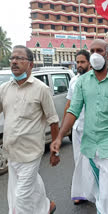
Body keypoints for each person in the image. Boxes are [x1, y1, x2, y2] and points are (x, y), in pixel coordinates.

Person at [51, 39, 108, 214]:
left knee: (106, 194)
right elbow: (73, 111)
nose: (96, 54)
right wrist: (59, 136)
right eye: (93, 51)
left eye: (100, 50)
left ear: (107, 54)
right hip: (89, 146)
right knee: (102, 192)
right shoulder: (82, 82)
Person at [2, 45, 59, 214]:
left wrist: (55, 151)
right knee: (29, 186)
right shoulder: (5, 89)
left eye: (20, 58)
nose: (14, 62)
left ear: (31, 64)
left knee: (21, 198)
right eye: (12, 58)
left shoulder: (41, 89)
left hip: (31, 153)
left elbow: (53, 121)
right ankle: (46, 206)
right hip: (11, 152)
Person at [62, 50, 91, 205]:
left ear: (89, 63)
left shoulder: (96, 80)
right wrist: (63, 129)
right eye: (77, 62)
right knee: (78, 160)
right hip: (77, 128)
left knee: (92, 160)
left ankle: (95, 191)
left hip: (93, 128)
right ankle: (80, 193)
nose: (79, 65)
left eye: (82, 62)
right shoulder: (73, 82)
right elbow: (69, 104)